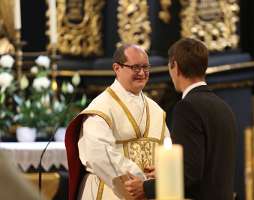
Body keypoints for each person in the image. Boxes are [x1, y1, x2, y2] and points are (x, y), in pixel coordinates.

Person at [125, 38, 237, 200]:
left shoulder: (187, 108)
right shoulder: (223, 107)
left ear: (175, 66)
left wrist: (145, 188)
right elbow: (206, 166)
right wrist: (167, 171)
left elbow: (189, 176)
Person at [65, 44, 170, 200]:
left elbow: (167, 148)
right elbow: (99, 156)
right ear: (117, 68)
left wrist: (162, 171)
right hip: (109, 191)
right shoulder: (100, 109)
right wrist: (141, 182)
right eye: (135, 67)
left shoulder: (156, 110)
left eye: (145, 67)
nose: (142, 73)